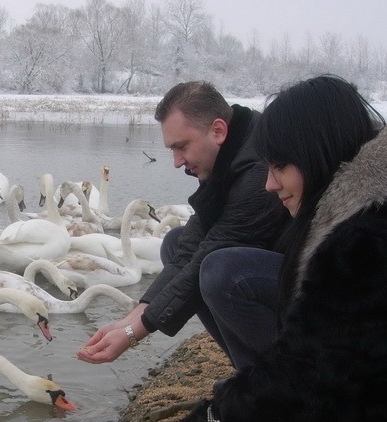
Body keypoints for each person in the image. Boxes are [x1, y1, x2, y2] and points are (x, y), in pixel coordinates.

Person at [116, 75, 387, 422]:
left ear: (316, 156)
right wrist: (135, 319)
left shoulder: (372, 241)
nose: (268, 184)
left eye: (279, 167)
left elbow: (291, 375)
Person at [77, 81, 288, 369]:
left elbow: (211, 252)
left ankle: (279, 377)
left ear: (218, 131)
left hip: (316, 284)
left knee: (218, 270)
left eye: (181, 147)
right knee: (175, 242)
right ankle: (250, 373)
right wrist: (130, 319)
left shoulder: (258, 174)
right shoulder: (234, 151)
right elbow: (190, 246)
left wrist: (133, 334)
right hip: (282, 270)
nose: (176, 162)